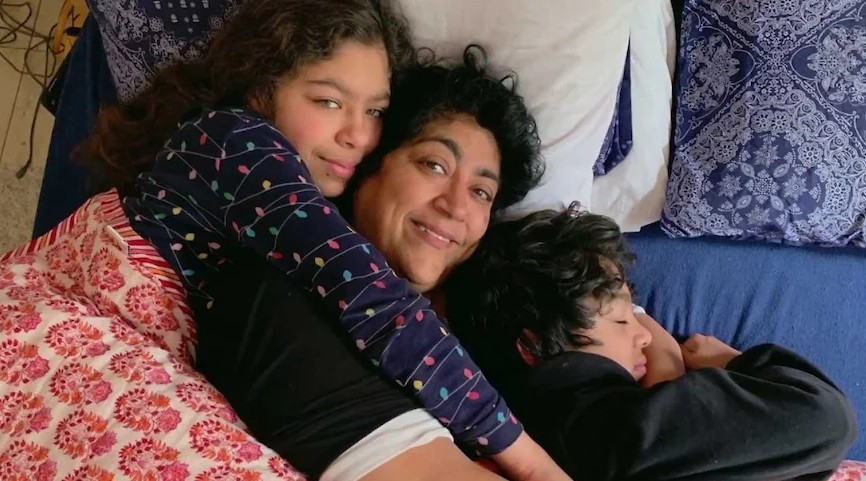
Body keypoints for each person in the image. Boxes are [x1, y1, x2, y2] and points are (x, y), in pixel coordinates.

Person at [77, 0, 568, 479]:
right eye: (329, 101)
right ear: (260, 87)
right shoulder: (237, 142)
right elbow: (377, 304)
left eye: (375, 110)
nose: (359, 135)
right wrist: (531, 463)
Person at [446, 205, 859, 481]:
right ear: (534, 346)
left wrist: (666, 373)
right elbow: (826, 420)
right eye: (620, 318)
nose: (644, 334)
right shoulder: (605, 431)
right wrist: (730, 361)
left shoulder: (526, 429)